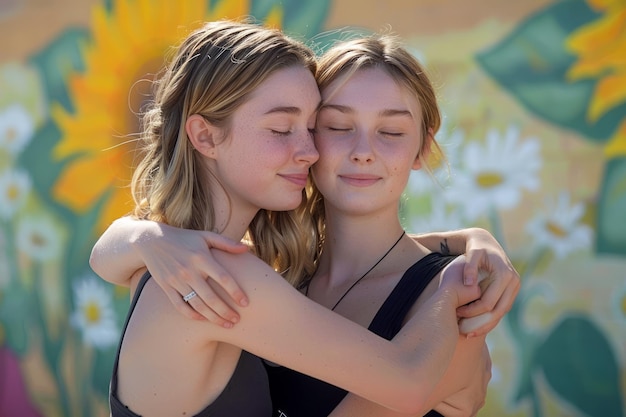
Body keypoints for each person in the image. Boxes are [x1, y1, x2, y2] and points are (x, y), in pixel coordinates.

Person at [94, 20, 518, 417]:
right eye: (284, 129)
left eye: (312, 127)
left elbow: (104, 258)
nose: (309, 150)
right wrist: (453, 284)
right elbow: (409, 381)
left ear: (422, 147)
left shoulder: (174, 264)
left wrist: (467, 240)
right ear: (205, 135)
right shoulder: (219, 274)